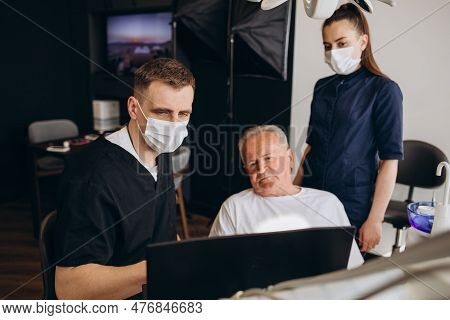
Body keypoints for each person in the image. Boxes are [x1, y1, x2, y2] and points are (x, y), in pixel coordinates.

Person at [54, 58, 195, 299]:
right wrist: (156, 267)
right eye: (162, 112)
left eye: (183, 113)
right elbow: (69, 289)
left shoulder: (160, 152)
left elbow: (161, 230)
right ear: (133, 108)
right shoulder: (92, 177)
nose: (174, 125)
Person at [293, 3, 403, 253]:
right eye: (327, 46)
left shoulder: (384, 91)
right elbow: (311, 147)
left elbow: (390, 161)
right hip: (310, 193)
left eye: (342, 43)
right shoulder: (322, 86)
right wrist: (292, 192)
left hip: (351, 202)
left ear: (363, 42)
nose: (334, 52)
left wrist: (374, 219)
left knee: (337, 274)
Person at [210, 125, 364, 270]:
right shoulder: (234, 207)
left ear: (289, 158)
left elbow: (351, 269)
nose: (261, 169)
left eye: (268, 158)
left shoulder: (327, 203)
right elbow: (214, 266)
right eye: (252, 163)